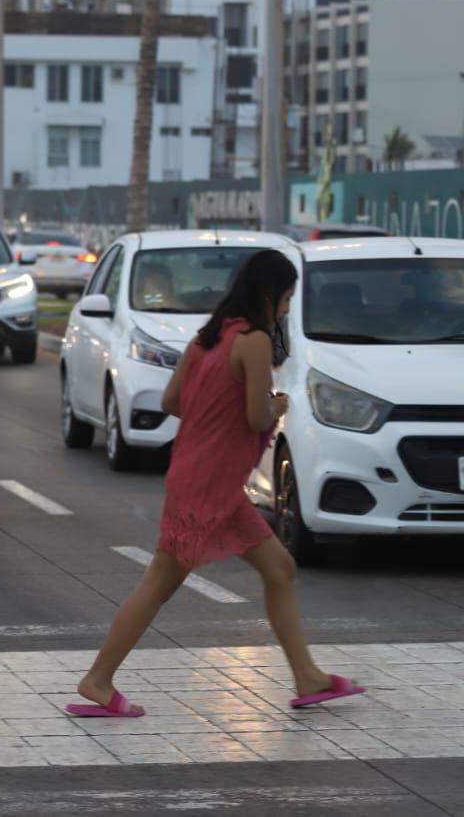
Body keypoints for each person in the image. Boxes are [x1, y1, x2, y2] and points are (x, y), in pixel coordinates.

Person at [67, 250, 366, 720]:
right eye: (287, 298)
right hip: (209, 488)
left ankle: (307, 675)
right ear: (270, 295)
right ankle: (98, 679)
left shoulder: (208, 338)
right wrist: (278, 405)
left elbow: (172, 400)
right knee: (159, 583)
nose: (287, 308)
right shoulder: (253, 342)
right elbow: (254, 416)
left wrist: (214, 415)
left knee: (279, 568)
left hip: (204, 480)